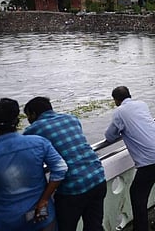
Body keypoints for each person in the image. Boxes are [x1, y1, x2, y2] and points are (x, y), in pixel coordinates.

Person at [0, 98, 68, 231]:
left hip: (10, 223)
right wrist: (44, 200)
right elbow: (61, 169)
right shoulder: (39, 143)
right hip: (42, 215)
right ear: (17, 122)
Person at [23, 97, 107, 231]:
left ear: (33, 114)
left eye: (28, 116)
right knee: (94, 226)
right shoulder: (72, 118)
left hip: (73, 187)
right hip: (98, 177)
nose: (28, 119)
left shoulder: (32, 131)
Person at [104, 86, 155, 231]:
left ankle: (141, 228)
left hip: (150, 159)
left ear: (116, 100)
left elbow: (110, 136)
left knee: (137, 195)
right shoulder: (141, 104)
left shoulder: (119, 112)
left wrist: (123, 132)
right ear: (130, 95)